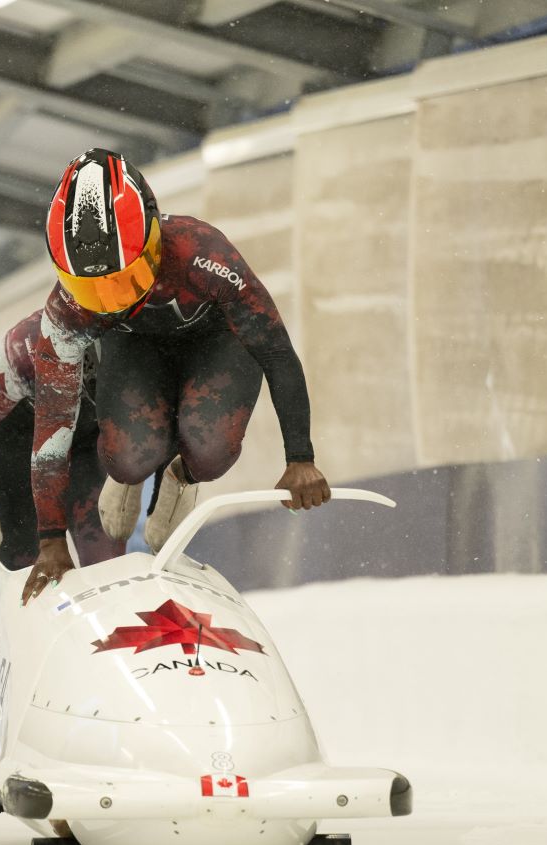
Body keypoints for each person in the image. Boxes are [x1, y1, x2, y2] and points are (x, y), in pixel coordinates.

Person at [22, 148, 330, 603]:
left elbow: (276, 351)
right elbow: (52, 423)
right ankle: (130, 473)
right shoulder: (67, 309)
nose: (110, 301)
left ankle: (182, 473)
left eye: (122, 281)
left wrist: (300, 456)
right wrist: (50, 542)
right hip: (133, 348)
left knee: (211, 449)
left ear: (154, 239)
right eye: (91, 289)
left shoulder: (203, 253)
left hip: (216, 343)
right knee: (129, 455)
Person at [0, 311, 126, 570]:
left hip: (84, 443)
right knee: (30, 571)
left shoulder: (131, 334)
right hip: (17, 454)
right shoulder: (19, 353)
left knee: (106, 563)